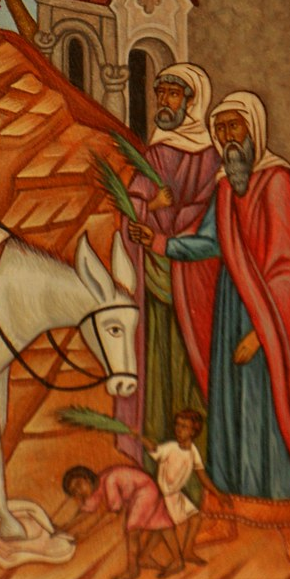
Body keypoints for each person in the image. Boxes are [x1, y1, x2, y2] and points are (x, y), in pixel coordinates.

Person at [129, 91, 290, 565]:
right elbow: (207, 241)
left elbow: (288, 268)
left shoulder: (278, 182)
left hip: (267, 318)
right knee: (227, 414)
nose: (229, 139)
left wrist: (262, 334)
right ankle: (223, 514)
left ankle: (285, 522)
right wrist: (159, 242)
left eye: (236, 128)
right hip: (230, 307)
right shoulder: (227, 187)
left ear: (255, 129)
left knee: (265, 418)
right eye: (222, 129)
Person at [116, 64, 220, 477]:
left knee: (191, 361)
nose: (164, 102)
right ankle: (155, 460)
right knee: (154, 363)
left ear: (192, 102)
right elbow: (133, 203)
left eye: (173, 95)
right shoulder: (155, 152)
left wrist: (168, 225)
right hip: (154, 277)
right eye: (161, 94)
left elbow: (210, 215)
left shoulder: (211, 155)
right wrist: (149, 207)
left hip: (192, 279)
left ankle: (201, 467)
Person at [56, 464, 182, 579]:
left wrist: (88, 533)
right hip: (142, 490)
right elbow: (85, 512)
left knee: (133, 528)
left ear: (87, 478)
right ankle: (175, 560)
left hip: (145, 490)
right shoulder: (96, 489)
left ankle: (133, 570)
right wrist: (65, 528)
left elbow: (113, 514)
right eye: (75, 492)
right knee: (162, 524)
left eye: (78, 485)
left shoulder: (109, 481)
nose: (79, 492)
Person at [134, 409, 227, 565]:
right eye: (177, 425)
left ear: (193, 431)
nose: (178, 429)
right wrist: (139, 437)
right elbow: (154, 449)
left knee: (193, 518)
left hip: (175, 494)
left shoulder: (193, 451)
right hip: (165, 494)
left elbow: (202, 475)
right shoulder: (171, 447)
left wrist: (217, 493)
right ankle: (146, 556)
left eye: (184, 426)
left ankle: (186, 551)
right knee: (164, 527)